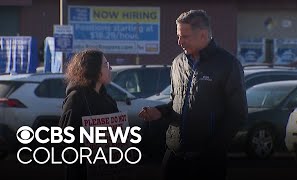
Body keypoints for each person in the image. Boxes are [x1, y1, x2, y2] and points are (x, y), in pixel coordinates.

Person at [138, 9, 248, 180]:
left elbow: (238, 113)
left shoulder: (228, 64)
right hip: (175, 153)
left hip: (208, 159)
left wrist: (214, 149)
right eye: (178, 36)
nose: (179, 42)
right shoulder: (177, 63)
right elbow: (175, 103)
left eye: (185, 36)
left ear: (203, 35)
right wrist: (159, 112)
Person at [59, 49, 119, 180]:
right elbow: (67, 141)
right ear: (94, 70)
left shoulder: (109, 100)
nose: (110, 68)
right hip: (81, 172)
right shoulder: (75, 99)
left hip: (107, 170)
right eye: (105, 65)